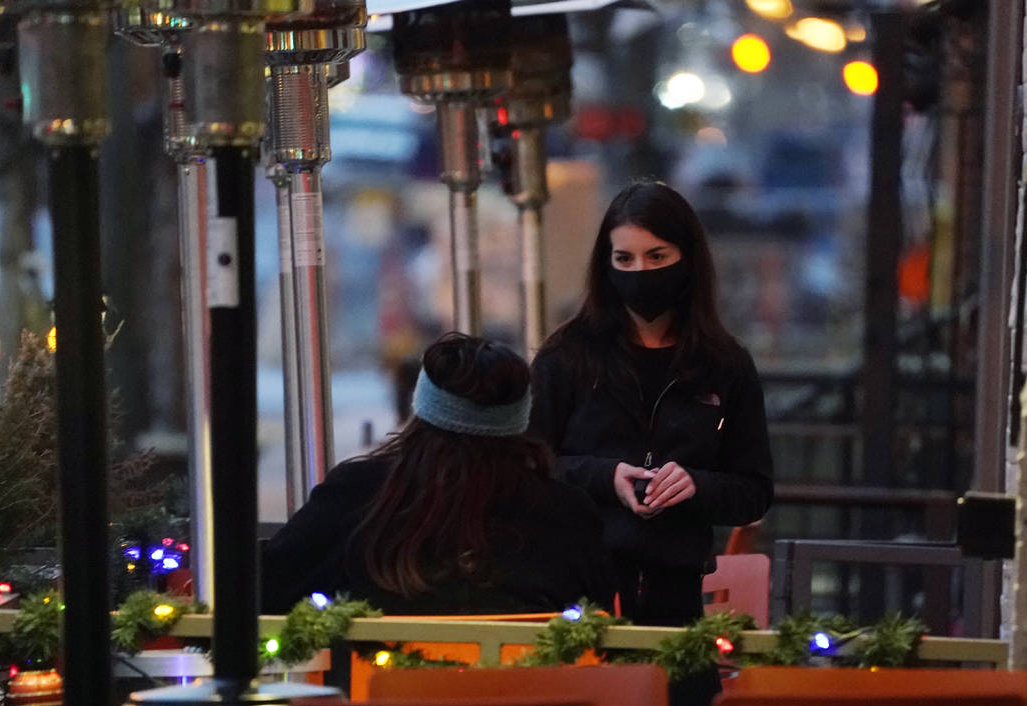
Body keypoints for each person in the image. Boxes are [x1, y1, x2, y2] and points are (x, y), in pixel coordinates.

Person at [530, 181, 774, 628]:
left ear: (688, 259)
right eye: (624, 259)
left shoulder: (724, 363)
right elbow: (527, 465)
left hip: (678, 598)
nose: (639, 272)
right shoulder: (566, 356)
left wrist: (695, 486)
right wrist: (606, 477)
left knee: (684, 698)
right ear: (606, 265)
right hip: (577, 598)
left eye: (656, 257)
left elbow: (754, 491)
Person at [261, 333, 613, 616]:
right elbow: (596, 615)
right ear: (521, 421)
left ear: (421, 410)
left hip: (377, 697)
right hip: (534, 697)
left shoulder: (357, 495)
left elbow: (268, 590)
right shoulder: (565, 512)